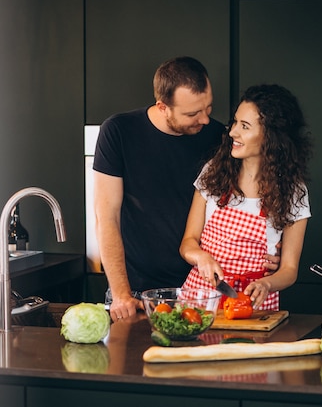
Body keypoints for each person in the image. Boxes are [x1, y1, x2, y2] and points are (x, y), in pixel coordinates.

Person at [93, 57, 281, 322]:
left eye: (208, 107)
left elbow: (251, 195)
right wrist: (121, 293)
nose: (205, 119)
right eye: (193, 114)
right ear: (163, 107)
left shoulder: (218, 136)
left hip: (202, 292)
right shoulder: (119, 132)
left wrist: (271, 246)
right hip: (135, 293)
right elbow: (106, 217)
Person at [180, 84, 313, 310]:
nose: (232, 132)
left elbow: (289, 270)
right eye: (235, 122)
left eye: (245, 126)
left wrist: (267, 283)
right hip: (201, 300)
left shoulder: (293, 191)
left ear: (270, 136)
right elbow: (188, 243)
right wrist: (201, 257)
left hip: (254, 307)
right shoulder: (214, 172)